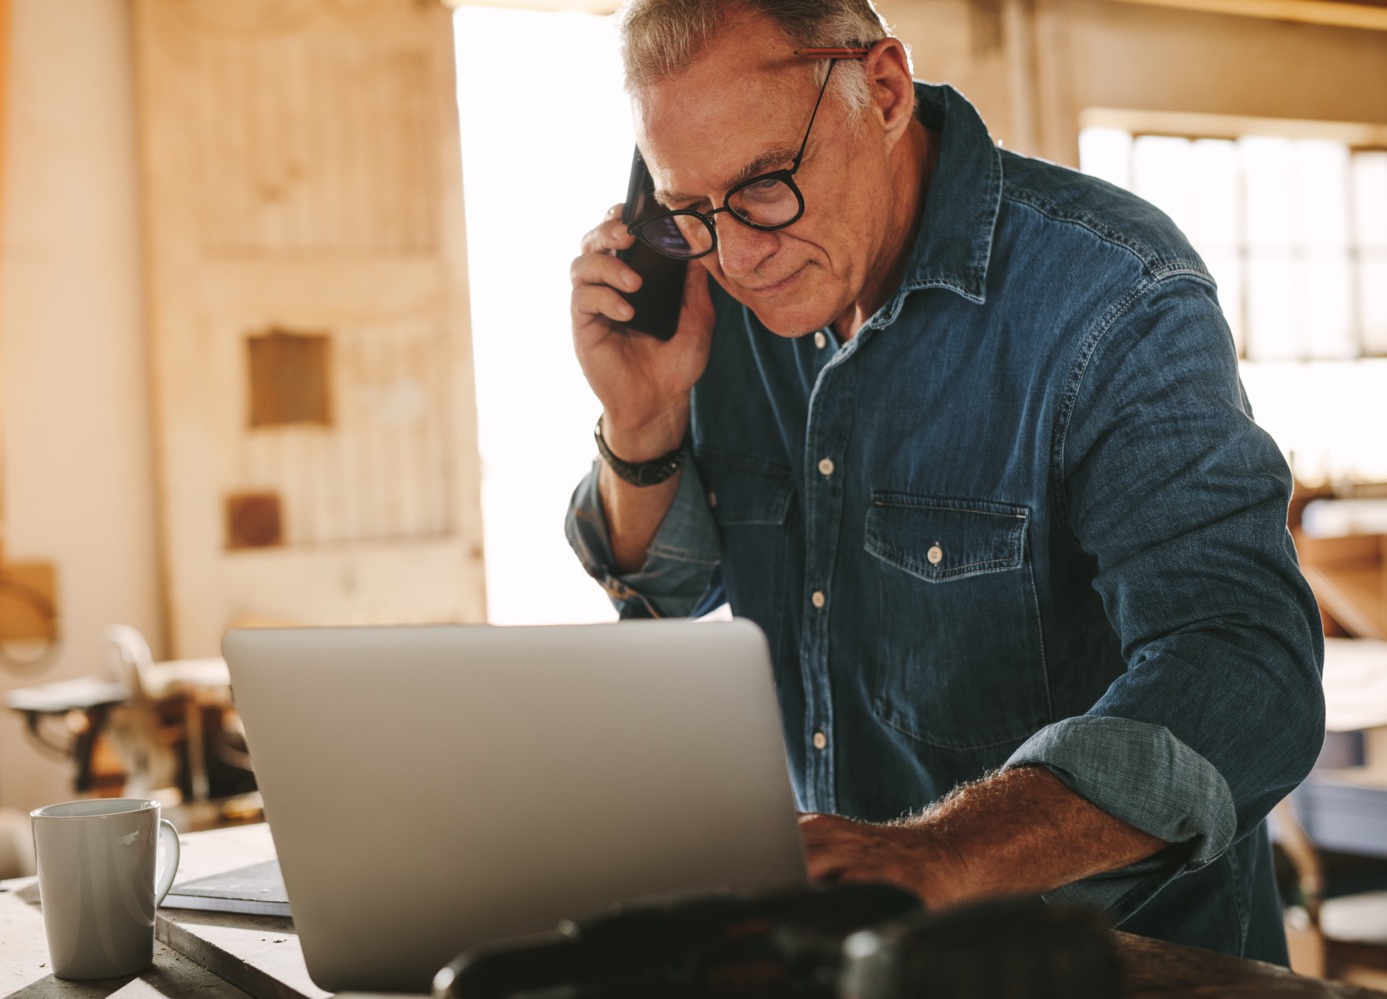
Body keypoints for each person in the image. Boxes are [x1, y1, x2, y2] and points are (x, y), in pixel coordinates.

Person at [564, 0, 1324, 965]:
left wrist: (943, 854)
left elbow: (1244, 663)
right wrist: (641, 420)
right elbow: (663, 592)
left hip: (1118, 969)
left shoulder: (1115, 291)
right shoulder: (718, 295)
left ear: (881, 89)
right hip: (850, 961)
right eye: (690, 209)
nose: (741, 253)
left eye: (764, 184)